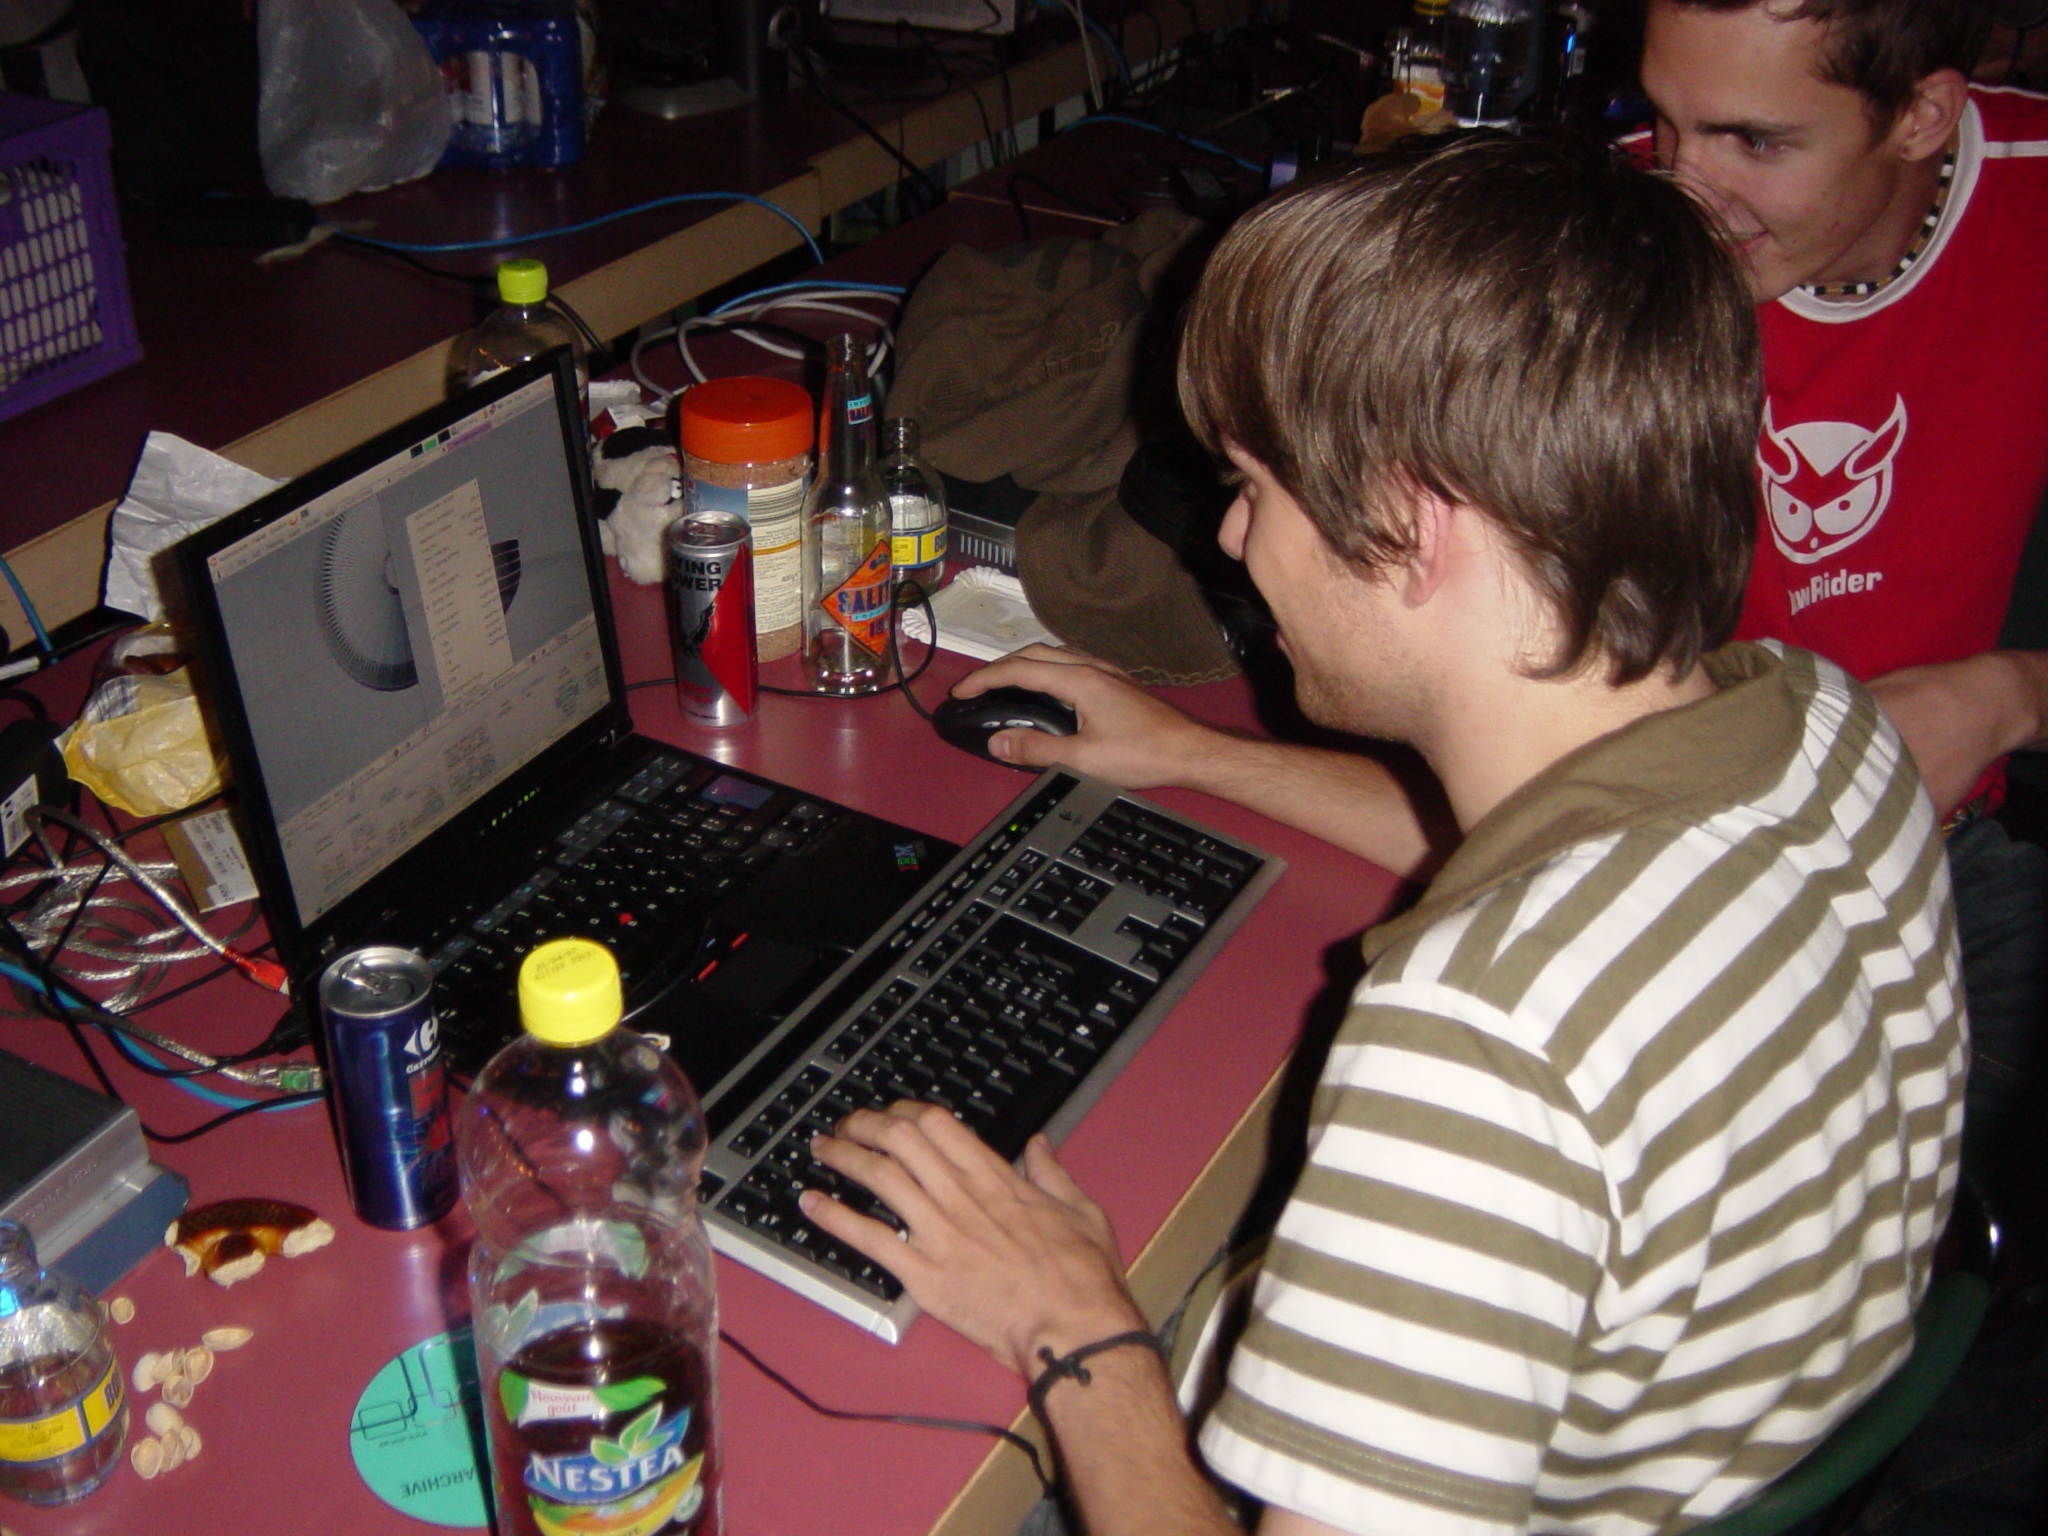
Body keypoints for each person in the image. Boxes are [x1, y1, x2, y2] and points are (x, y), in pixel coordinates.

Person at [802, 133, 1966, 1536]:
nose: (1232, 540)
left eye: (1255, 486)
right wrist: (1192, 753)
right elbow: (1545, 837)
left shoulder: (1477, 1050)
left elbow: (1503, 1049)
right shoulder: (1822, 728)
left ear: (1416, 525)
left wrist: (1072, 1325)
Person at [1637, 0, 2048, 1255]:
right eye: (1663, 121)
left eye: (1753, 141)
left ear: (1921, 115)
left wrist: (2010, 696)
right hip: (1677, 841)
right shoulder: (1607, 233)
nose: (1680, 187)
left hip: (1960, 853)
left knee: (1944, 1272)